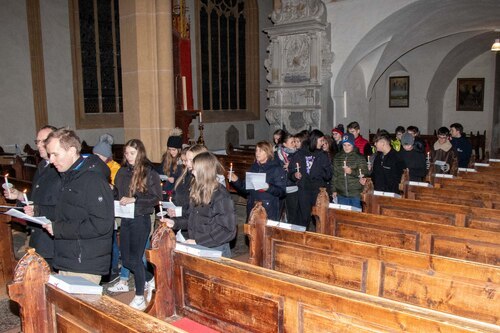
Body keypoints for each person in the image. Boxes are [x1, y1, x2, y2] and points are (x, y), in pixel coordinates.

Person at [43, 128, 114, 284]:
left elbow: (102, 224)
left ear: (72, 151)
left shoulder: (93, 180)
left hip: (85, 263)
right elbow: (67, 211)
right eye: (49, 155)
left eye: (55, 154)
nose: (51, 160)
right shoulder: (70, 177)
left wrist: (58, 229)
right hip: (69, 258)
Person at [111, 139, 162, 310]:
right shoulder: (122, 172)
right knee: (126, 260)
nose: (128, 156)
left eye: (132, 153)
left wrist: (135, 199)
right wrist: (112, 193)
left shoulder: (148, 172)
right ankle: (150, 279)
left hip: (141, 219)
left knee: (135, 258)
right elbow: (118, 192)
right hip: (125, 219)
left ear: (139, 153)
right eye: (126, 153)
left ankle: (139, 296)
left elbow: (156, 197)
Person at [3, 125, 59, 268]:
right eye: (37, 141)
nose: (39, 145)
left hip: (54, 239)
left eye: (43, 141)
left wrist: (38, 209)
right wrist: (20, 195)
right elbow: (37, 198)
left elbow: (63, 206)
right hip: (39, 236)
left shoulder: (61, 169)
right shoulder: (42, 166)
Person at [162, 152, 237, 257]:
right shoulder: (198, 190)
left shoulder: (221, 195)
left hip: (216, 250)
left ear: (204, 172)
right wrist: (174, 223)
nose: (192, 173)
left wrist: (198, 241)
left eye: (195, 170)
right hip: (200, 247)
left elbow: (228, 231)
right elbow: (193, 219)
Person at [229, 141, 286, 221]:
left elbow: (282, 192)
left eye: (260, 150)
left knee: (266, 232)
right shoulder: (254, 167)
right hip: (252, 206)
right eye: (256, 150)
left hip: (268, 208)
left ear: (267, 152)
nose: (257, 153)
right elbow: (246, 190)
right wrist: (236, 181)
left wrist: (268, 187)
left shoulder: (276, 169)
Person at [289, 130, 333, 227]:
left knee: (319, 218)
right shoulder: (300, 154)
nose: (322, 144)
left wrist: (321, 170)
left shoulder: (323, 155)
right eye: (321, 141)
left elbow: (328, 175)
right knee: (304, 218)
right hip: (304, 190)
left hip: (318, 191)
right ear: (314, 140)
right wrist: (294, 175)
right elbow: (291, 171)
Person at [93, 133, 121, 281]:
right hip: (97, 208)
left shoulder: (113, 167)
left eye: (99, 155)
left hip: (109, 208)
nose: (96, 158)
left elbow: (117, 188)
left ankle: (114, 268)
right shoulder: (94, 166)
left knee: (111, 242)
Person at [332, 133, 368, 209]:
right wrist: (334, 189)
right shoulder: (337, 157)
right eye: (344, 145)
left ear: (353, 145)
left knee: (355, 216)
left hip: (355, 193)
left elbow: (365, 172)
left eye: (349, 145)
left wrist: (352, 172)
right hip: (341, 193)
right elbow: (335, 175)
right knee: (343, 216)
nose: (346, 147)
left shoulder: (359, 157)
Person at [275, 132, 299, 224]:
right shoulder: (276, 155)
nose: (294, 144)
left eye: (295, 142)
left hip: (293, 187)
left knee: (292, 215)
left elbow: (302, 169)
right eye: (292, 142)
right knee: (277, 215)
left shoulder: (297, 155)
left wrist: (291, 165)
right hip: (279, 188)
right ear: (284, 144)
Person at [158, 128, 184, 200]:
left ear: (179, 149)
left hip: (176, 191)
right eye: (169, 149)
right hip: (166, 189)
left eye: (174, 150)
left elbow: (182, 176)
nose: (171, 152)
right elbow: (160, 170)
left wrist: (174, 179)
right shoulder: (166, 157)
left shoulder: (181, 160)